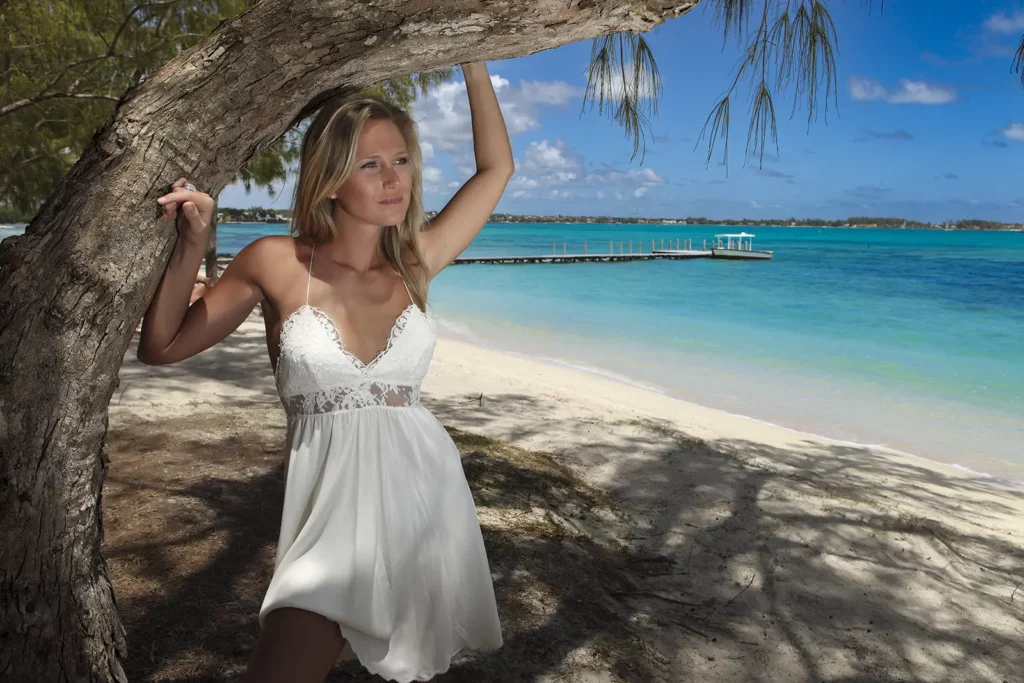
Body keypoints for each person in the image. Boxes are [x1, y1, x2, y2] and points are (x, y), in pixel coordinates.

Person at [139, 61, 513, 683]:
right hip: (327, 526)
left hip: (423, 504)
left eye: (401, 160)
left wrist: (473, 62)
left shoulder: (414, 263)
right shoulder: (276, 261)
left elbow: (496, 170)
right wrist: (191, 244)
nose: (394, 180)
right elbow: (162, 346)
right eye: (371, 165)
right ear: (331, 177)